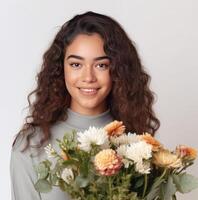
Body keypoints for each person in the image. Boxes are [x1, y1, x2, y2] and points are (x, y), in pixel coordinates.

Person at [10, 11, 160, 200]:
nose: (88, 77)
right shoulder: (31, 145)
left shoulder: (137, 146)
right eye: (76, 65)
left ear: (118, 71)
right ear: (60, 68)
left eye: (101, 65)